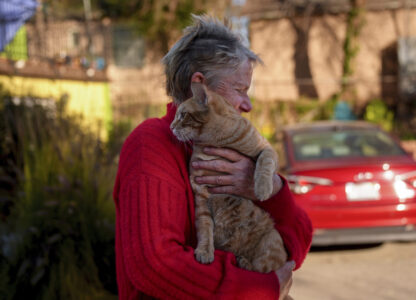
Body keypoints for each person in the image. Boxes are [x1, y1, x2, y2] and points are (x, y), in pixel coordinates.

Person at [113, 15, 313, 300]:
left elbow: (298, 246)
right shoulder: (151, 145)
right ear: (202, 88)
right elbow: (155, 265)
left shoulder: (235, 147)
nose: (248, 104)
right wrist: (257, 287)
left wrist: (273, 191)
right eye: (240, 89)